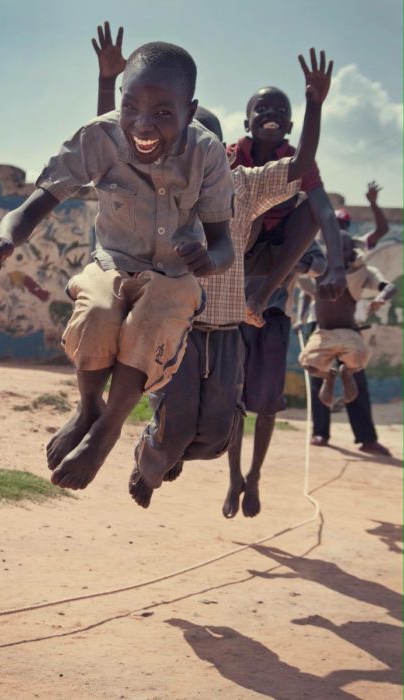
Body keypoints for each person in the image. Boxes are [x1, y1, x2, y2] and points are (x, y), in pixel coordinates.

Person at [0, 36, 236, 491]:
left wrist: (206, 261)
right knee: (95, 314)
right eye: (131, 106)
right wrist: (5, 238)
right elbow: (33, 206)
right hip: (113, 261)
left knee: (151, 320)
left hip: (176, 272)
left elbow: (223, 246)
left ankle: (108, 429)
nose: (142, 124)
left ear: (189, 112)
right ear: (120, 99)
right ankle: (88, 408)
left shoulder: (207, 152)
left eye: (163, 113)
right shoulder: (99, 136)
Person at [126, 47, 338, 506]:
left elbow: (301, 170)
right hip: (177, 330)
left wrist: (315, 105)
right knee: (179, 428)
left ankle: (169, 447)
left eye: (210, 148)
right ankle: (153, 452)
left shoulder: (242, 187)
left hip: (225, 333)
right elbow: (121, 142)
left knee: (217, 437)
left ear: (222, 155)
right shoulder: (159, 189)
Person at [227, 75, 346, 327]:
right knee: (254, 201)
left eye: (281, 110)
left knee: (313, 209)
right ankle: (228, 286)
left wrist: (337, 267)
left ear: (290, 127)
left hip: (274, 255)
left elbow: (325, 213)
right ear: (246, 123)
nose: (271, 113)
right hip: (236, 249)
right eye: (262, 108)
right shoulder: (230, 156)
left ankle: (259, 299)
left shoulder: (298, 162)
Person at [222, 240, 327, 519]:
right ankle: (234, 477)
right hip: (235, 321)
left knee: (267, 407)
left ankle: (254, 475)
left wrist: (292, 260)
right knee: (234, 403)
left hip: (273, 322)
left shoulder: (296, 228)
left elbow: (320, 265)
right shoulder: (244, 219)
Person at [296, 187, 394, 455]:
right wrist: (302, 316)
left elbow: (381, 232)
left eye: (342, 225)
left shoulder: (355, 248)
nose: (337, 229)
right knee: (318, 375)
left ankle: (366, 437)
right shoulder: (318, 248)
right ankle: (320, 432)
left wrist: (373, 203)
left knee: (356, 377)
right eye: (334, 224)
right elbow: (306, 286)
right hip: (320, 322)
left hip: (349, 325)